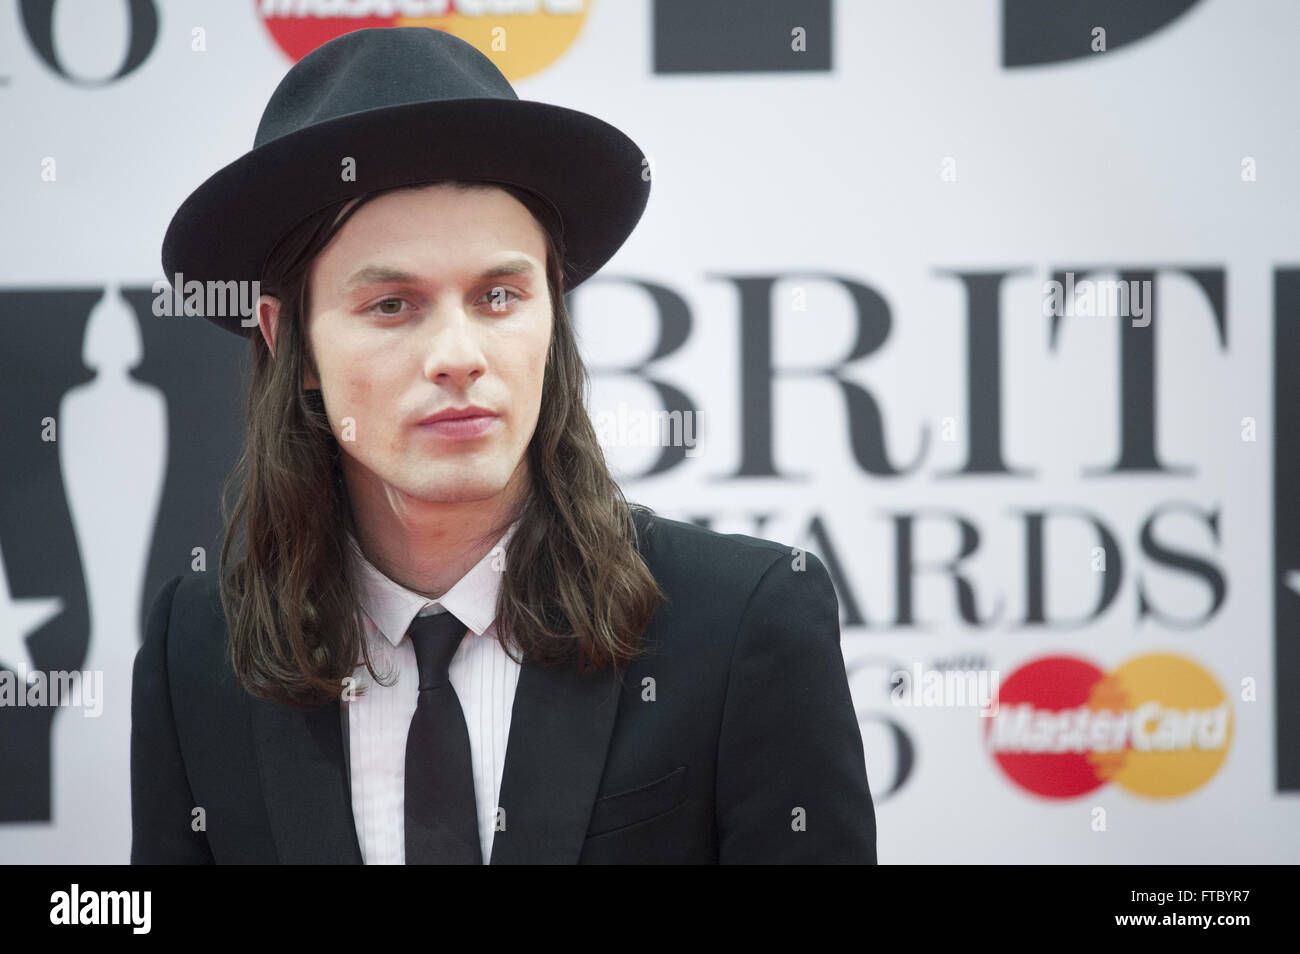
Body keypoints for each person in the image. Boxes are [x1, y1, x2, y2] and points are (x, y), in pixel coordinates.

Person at [131, 26, 876, 864]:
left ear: (551, 315)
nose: (457, 356)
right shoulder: (196, 648)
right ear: (286, 341)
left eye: (498, 295)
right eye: (392, 305)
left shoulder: (743, 622)